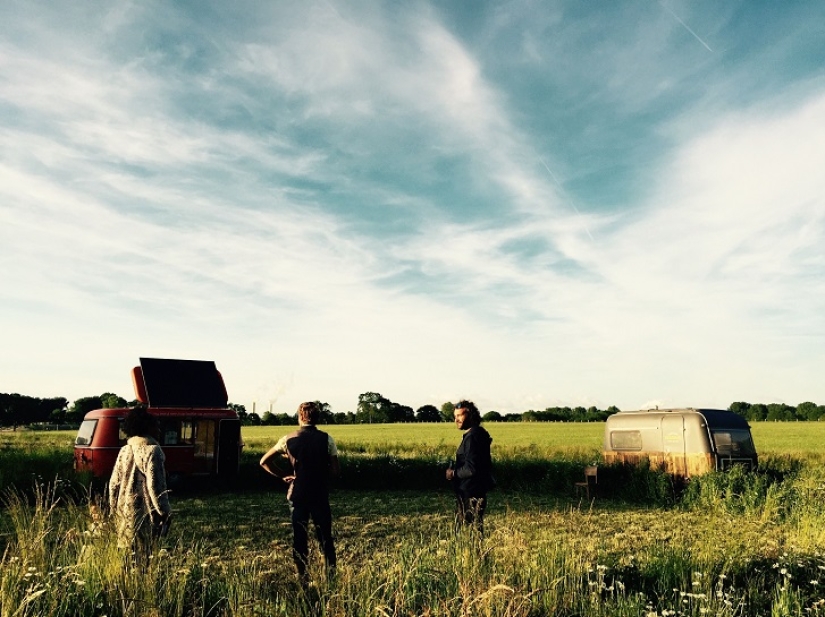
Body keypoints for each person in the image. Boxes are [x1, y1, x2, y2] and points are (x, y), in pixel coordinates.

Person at [260, 401, 340, 581]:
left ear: (300, 417)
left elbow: (263, 461)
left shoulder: (287, 439)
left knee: (299, 537)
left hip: (297, 494)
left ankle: (302, 576)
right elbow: (335, 471)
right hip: (319, 493)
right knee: (325, 536)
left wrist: (283, 475)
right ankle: (331, 577)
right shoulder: (327, 439)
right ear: (317, 418)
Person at [108, 406, 172, 560]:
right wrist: (164, 512)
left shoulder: (124, 450)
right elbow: (155, 487)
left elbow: (113, 485)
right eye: (155, 425)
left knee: (127, 557)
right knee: (144, 558)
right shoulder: (152, 450)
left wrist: (113, 510)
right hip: (145, 515)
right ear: (148, 427)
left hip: (124, 514)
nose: (158, 429)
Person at [445, 400, 494, 535]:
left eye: (460, 415)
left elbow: (471, 468)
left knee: (469, 531)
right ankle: (475, 554)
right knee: (475, 529)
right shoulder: (478, 433)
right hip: (476, 490)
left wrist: (453, 473)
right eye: (455, 417)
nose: (456, 420)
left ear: (471, 415)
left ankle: (473, 555)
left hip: (470, 492)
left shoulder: (473, 437)